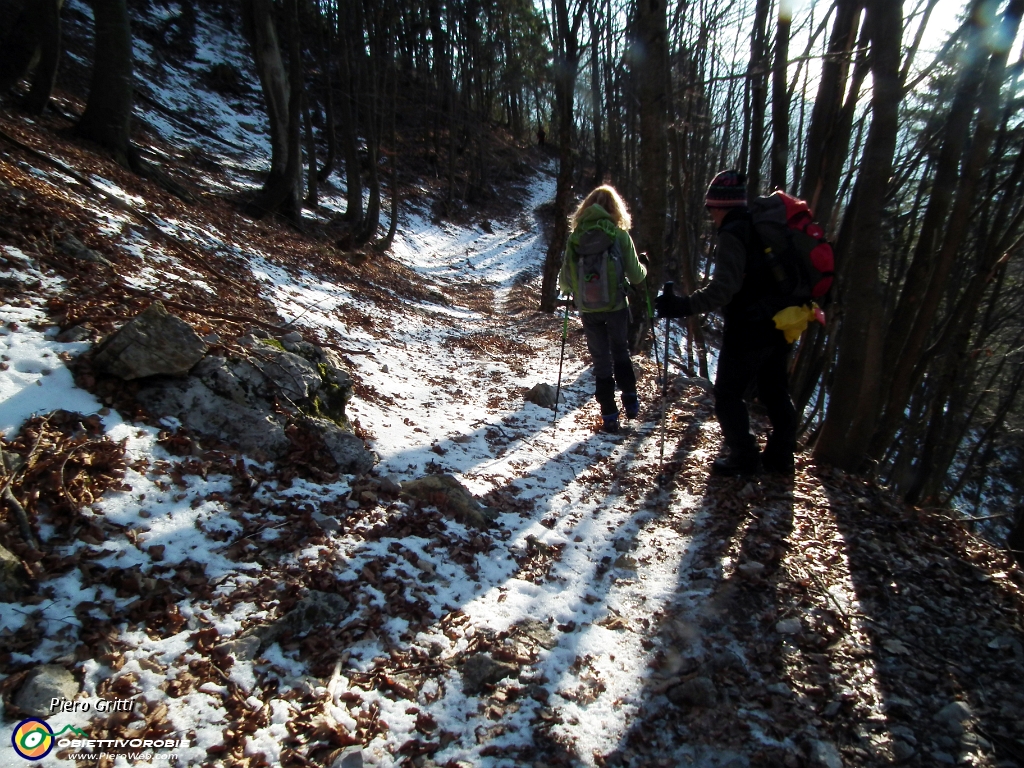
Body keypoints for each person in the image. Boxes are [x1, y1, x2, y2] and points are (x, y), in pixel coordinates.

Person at [655, 170, 796, 476]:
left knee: (728, 395)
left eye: (711, 208)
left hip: (749, 327)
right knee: (775, 391)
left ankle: (744, 456)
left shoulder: (733, 233)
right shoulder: (760, 228)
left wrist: (683, 305)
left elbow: (724, 289)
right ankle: (781, 458)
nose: (711, 215)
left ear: (721, 206)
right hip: (783, 322)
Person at [559, 185, 648, 434]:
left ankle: (609, 414)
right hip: (616, 305)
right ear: (615, 208)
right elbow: (636, 275)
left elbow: (565, 280)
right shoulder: (619, 234)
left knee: (600, 361)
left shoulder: (576, 237)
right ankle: (630, 400)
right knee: (620, 350)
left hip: (588, 308)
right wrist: (645, 267)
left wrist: (575, 289)